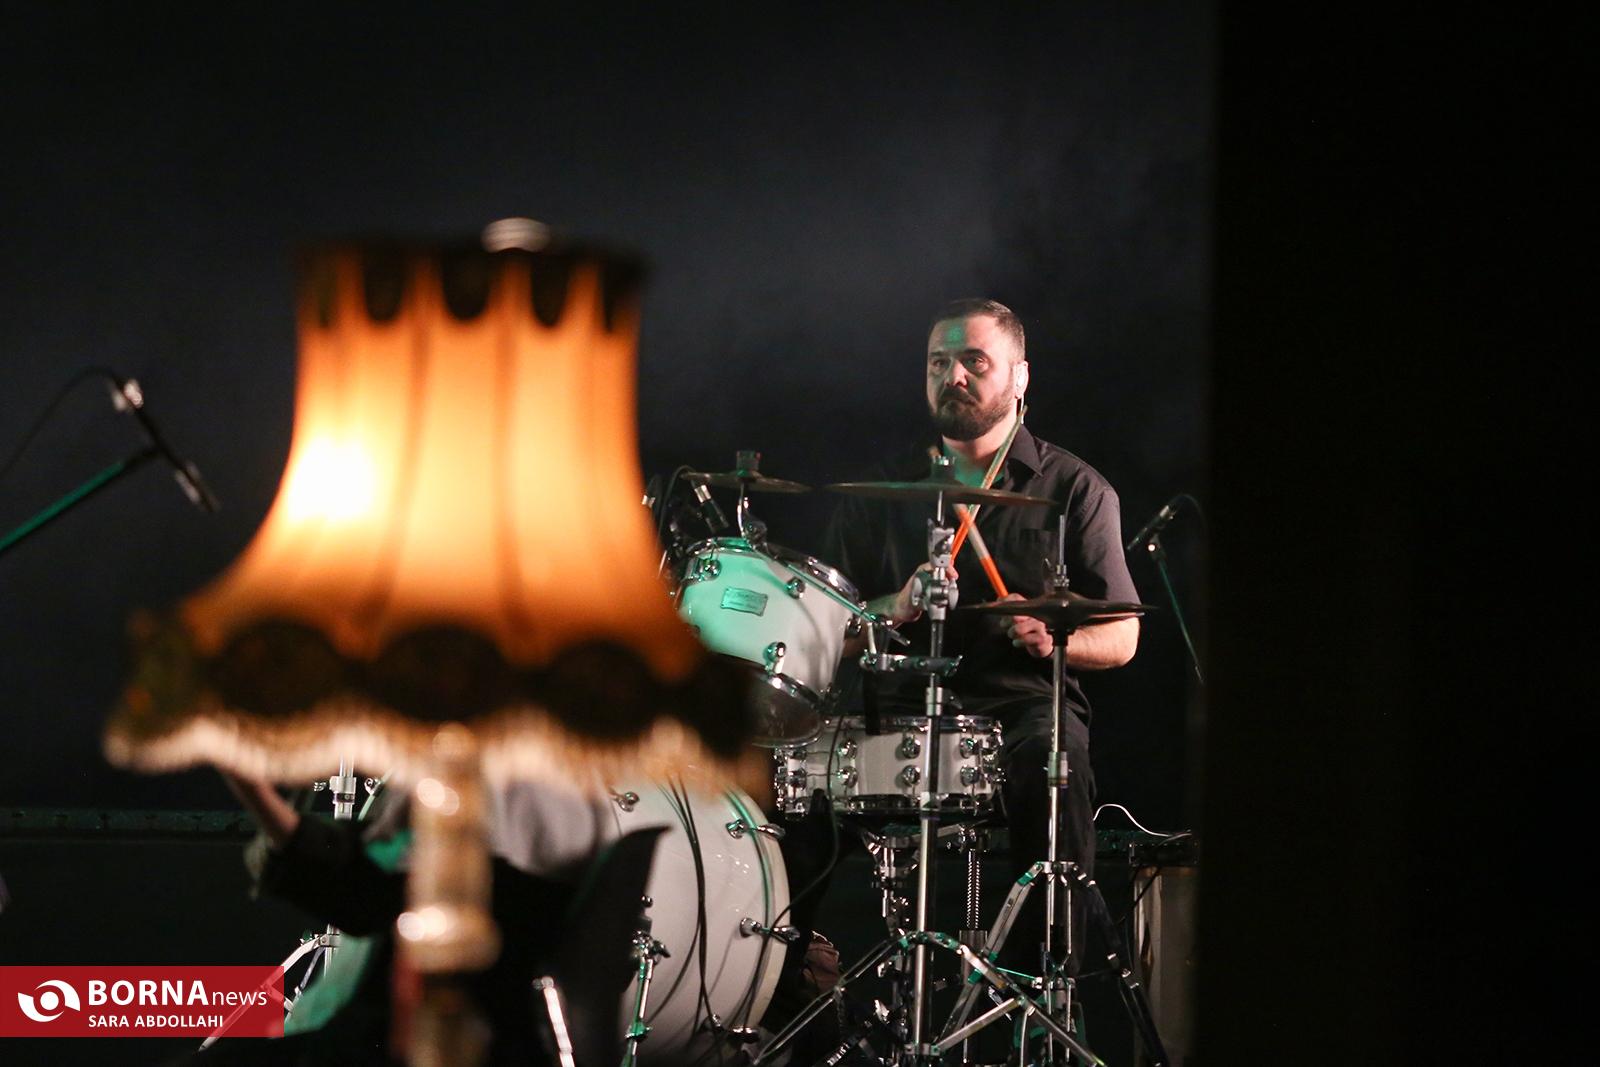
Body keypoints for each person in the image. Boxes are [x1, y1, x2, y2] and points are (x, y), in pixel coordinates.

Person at [815, 297, 1141, 979]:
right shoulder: (882, 489)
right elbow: (823, 627)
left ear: (1020, 376)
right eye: (938, 363)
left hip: (1021, 709)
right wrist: (892, 607)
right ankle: (780, 974)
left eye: (973, 361)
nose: (953, 376)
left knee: (1054, 765)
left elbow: (1122, 638)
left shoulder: (1076, 489)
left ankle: (1040, 986)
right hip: (894, 710)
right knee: (792, 782)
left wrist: (1052, 637)